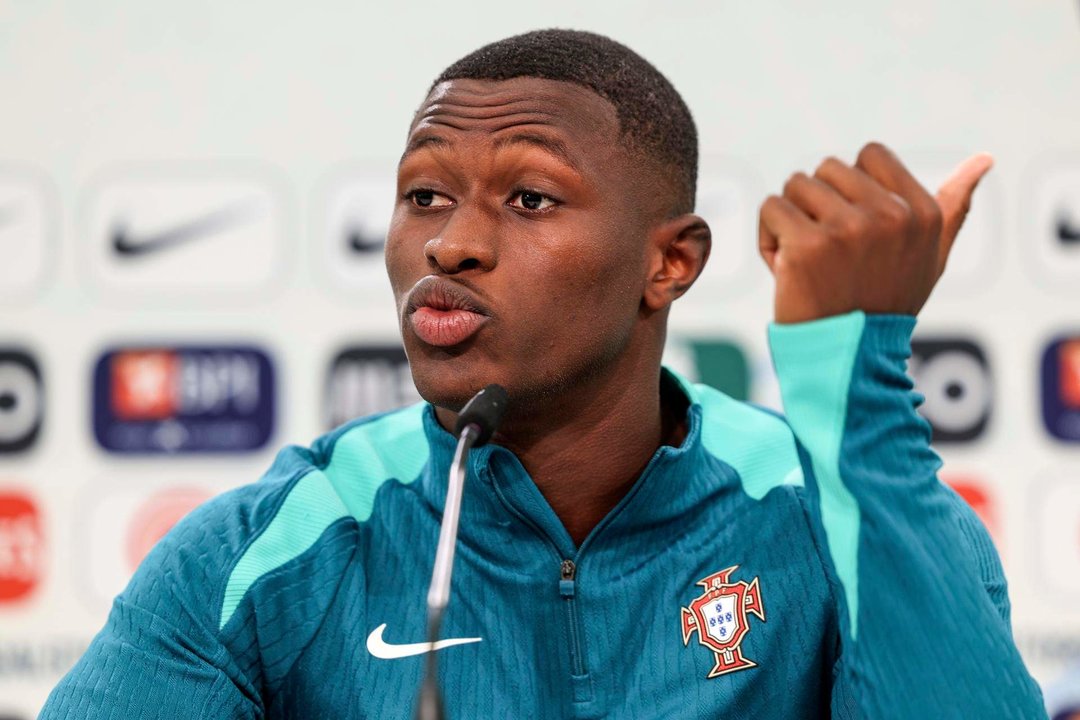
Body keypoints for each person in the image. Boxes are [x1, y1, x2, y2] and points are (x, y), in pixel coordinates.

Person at [41, 29, 1045, 719]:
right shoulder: (273, 550)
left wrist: (852, 396)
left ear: (670, 263)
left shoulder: (827, 513)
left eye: (528, 198)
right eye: (424, 194)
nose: (452, 244)